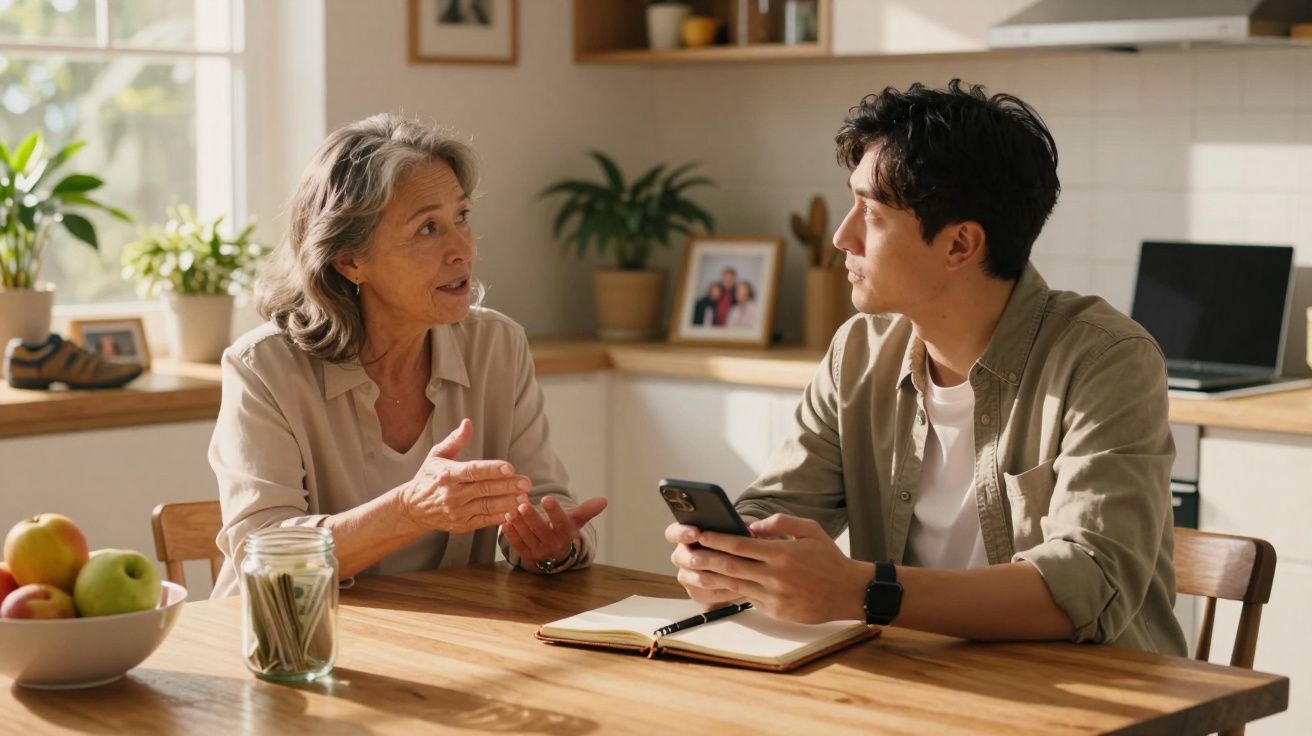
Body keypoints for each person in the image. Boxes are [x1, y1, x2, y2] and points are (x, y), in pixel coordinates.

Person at [665, 80, 1187, 655]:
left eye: (870, 212)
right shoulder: (858, 352)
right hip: (916, 691)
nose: (843, 236)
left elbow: (1088, 582)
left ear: (960, 245)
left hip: (1092, 702)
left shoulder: (1105, 359)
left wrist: (863, 592)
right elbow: (776, 506)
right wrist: (725, 554)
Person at [209, 114, 606, 597]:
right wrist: (410, 510)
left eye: (461, 217)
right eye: (427, 229)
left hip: (450, 642)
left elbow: (544, 504)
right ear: (350, 260)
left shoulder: (497, 346)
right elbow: (265, 554)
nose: (462, 249)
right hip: (292, 648)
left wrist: (551, 546)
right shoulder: (263, 368)